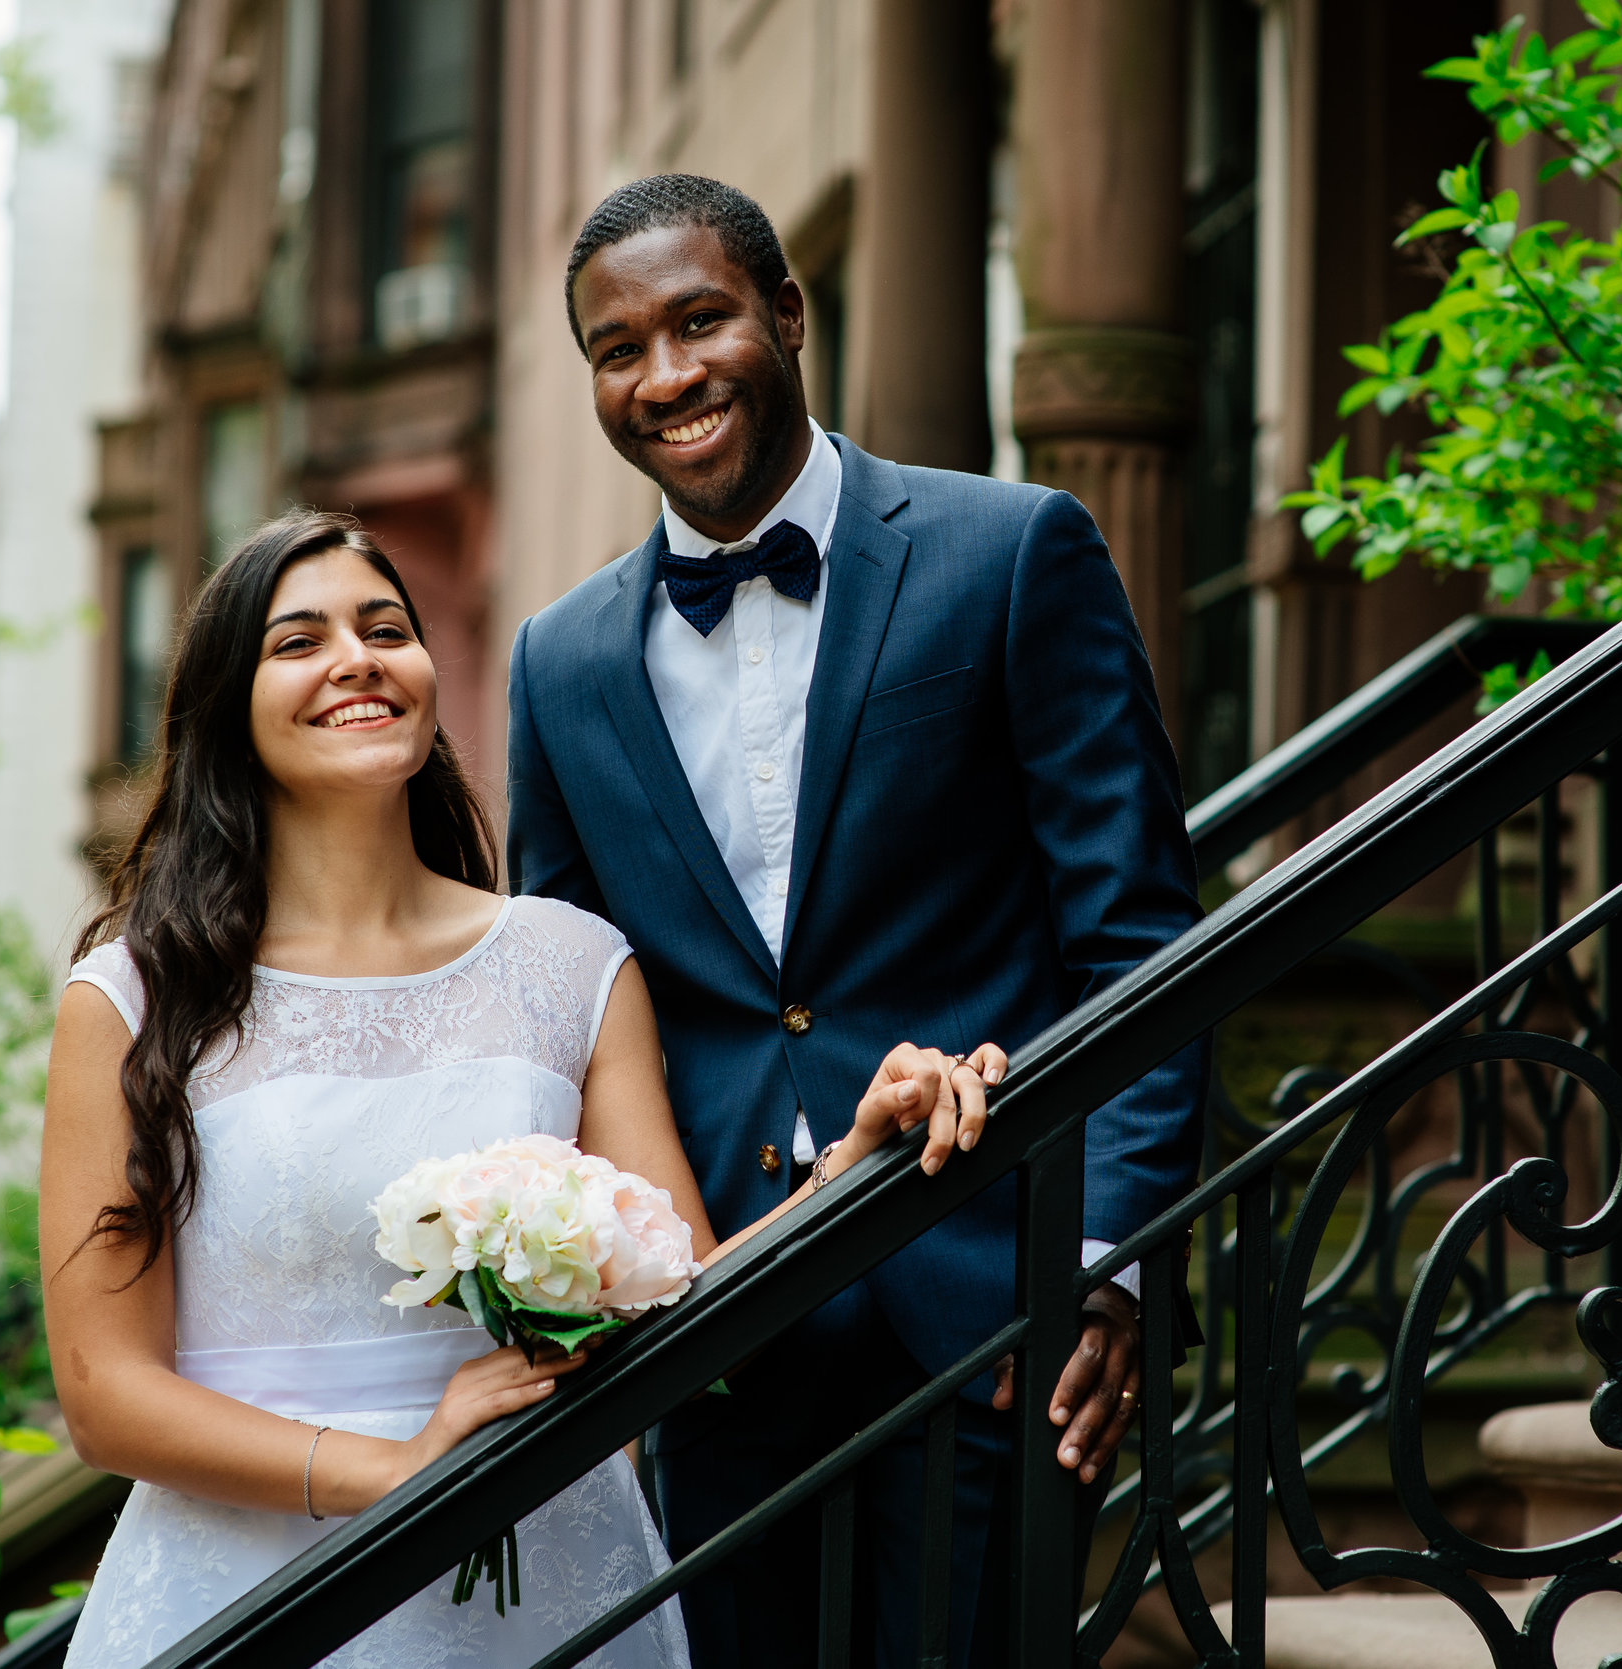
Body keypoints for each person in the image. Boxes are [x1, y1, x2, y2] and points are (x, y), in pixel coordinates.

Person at [40, 511, 1002, 1669]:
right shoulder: (134, 997)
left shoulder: (569, 964)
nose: (355, 657)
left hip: (549, 1585)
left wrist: (850, 1159)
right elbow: (103, 1391)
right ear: (222, 713)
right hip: (245, 1597)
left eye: (384, 627)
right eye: (298, 641)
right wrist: (398, 1475)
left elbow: (687, 1313)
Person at [506, 175, 1206, 1669]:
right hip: (720, 1341)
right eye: (618, 349)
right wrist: (605, 1305)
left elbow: (1138, 938)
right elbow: (560, 1015)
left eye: (700, 320)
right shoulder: (557, 664)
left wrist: (1108, 1259)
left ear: (789, 314)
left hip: (999, 1317)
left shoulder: (1014, 552)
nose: (667, 374)